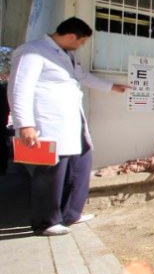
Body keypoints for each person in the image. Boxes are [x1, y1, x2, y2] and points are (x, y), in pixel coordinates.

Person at [8, 17, 130, 236]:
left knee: (80, 167)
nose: (81, 46)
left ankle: (70, 214)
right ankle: (45, 222)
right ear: (71, 36)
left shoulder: (66, 56)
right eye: (81, 41)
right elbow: (19, 89)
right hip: (47, 125)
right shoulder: (32, 52)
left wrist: (111, 86)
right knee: (50, 175)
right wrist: (24, 124)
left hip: (73, 124)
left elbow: (82, 77)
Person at [0, 81, 9, 175]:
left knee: (1, 142)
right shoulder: (2, 90)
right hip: (2, 121)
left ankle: (2, 167)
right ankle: (3, 167)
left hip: (1, 121)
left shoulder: (2, 90)